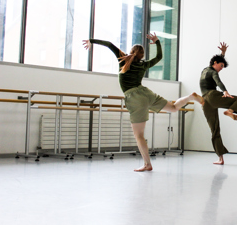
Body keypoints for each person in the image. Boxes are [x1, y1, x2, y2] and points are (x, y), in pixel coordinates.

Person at [83, 33, 204, 172]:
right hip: (145, 93)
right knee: (174, 107)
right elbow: (159, 57)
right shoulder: (144, 64)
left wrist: (91, 41)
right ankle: (190, 97)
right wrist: (157, 41)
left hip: (134, 98)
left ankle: (147, 164)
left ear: (131, 52)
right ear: (142, 55)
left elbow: (109, 44)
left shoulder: (122, 58)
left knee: (139, 135)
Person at [200, 42, 237, 165]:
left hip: (204, 102)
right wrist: (225, 91)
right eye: (221, 66)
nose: (221, 69)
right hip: (212, 96)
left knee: (214, 130)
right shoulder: (213, 72)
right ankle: (230, 111)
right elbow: (218, 80)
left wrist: (223, 54)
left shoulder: (205, 70)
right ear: (215, 63)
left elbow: (216, 63)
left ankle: (220, 158)